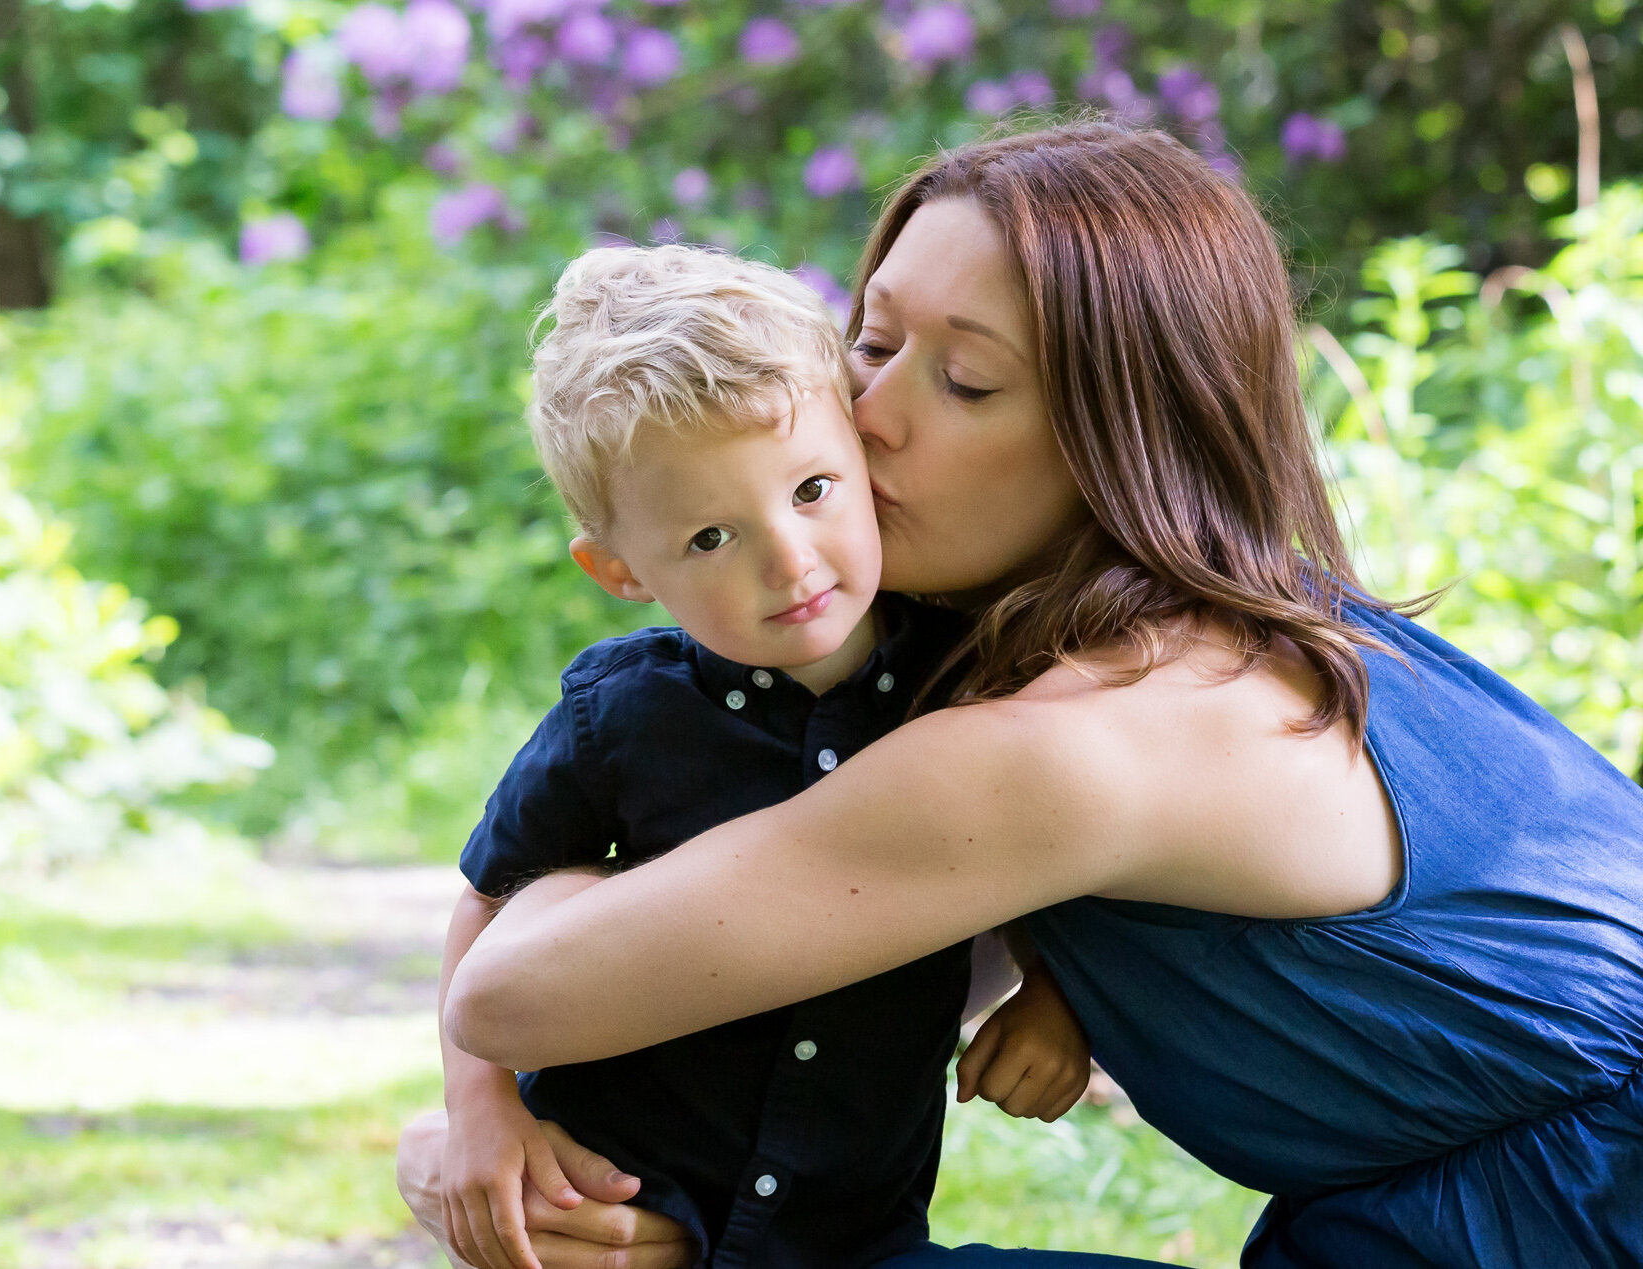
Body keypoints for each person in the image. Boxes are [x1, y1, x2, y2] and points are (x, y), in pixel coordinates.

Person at [428, 123, 1643, 1266]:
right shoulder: (1279, 616)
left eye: (962, 382)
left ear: (1121, 435)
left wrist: (557, 910)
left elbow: (509, 998)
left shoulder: (1078, 740)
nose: (868, 419)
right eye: (868, 341)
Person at [425, 244, 1091, 1269]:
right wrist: (475, 1115)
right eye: (708, 538)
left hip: (854, 1235)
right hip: (632, 1215)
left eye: (813, 488)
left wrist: (1054, 994)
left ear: (861, 459)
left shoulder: (965, 676)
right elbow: (490, 903)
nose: (787, 557)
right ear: (618, 570)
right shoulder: (620, 716)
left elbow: (1034, 846)